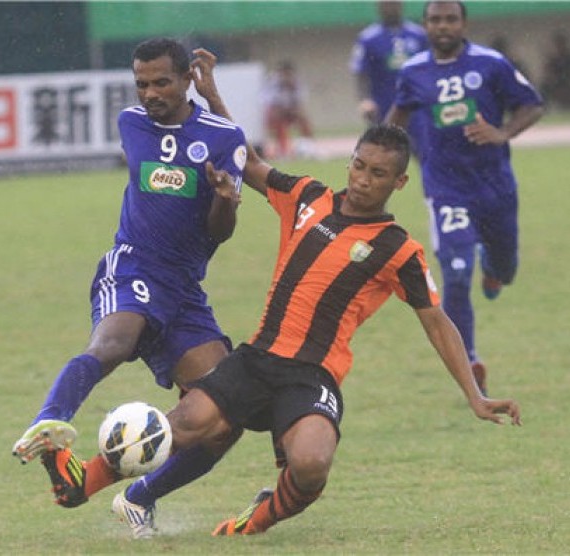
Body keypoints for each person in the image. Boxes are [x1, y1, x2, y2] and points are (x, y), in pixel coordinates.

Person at [155, 50, 520, 537]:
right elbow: (253, 163)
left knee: (307, 463)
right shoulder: (308, 196)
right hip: (261, 357)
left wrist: (474, 396)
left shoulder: (399, 249)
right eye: (359, 166)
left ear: (399, 182)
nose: (364, 180)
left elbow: (436, 320)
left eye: (378, 174)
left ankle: (259, 517)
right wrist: (213, 97)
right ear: (350, 161)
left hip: (313, 372)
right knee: (189, 425)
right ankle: (105, 481)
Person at [11, 38, 247, 538]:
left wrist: (226, 199)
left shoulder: (223, 137)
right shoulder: (130, 123)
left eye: (162, 81)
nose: (150, 93)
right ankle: (51, 422)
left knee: (225, 418)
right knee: (114, 343)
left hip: (184, 290)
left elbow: (220, 231)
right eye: (142, 83)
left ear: (188, 79)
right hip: (133, 266)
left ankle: (119, 491)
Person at [385, 1, 543, 395]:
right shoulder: (413, 71)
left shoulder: (491, 64)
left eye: (450, 19)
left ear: (463, 23)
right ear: (424, 25)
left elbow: (532, 104)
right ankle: (469, 361)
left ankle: (494, 267)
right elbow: (395, 121)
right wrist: (380, 159)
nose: (443, 26)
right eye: (435, 19)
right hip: (445, 189)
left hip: (495, 188)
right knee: (455, 271)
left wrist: (502, 133)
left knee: (505, 268)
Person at [349, 1, 428, 157]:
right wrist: (365, 100)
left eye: (393, 3)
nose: (390, 7)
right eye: (386, 3)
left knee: (426, 155)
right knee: (384, 158)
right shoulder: (368, 38)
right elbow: (361, 72)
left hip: (417, 109)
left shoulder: (419, 34)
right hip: (383, 108)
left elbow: (431, 68)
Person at [260, 60, 318, 160]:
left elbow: (300, 102)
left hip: (290, 110)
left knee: (304, 119)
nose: (287, 77)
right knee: (278, 121)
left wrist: (296, 112)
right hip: (276, 111)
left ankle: (308, 147)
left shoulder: (296, 83)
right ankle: (283, 150)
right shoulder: (272, 83)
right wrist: (281, 111)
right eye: (284, 74)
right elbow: (269, 103)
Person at [541, 30, 570, 110]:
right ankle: (545, 109)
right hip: (557, 85)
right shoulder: (553, 60)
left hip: (567, 83)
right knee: (544, 87)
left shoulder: (568, 58)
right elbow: (549, 73)